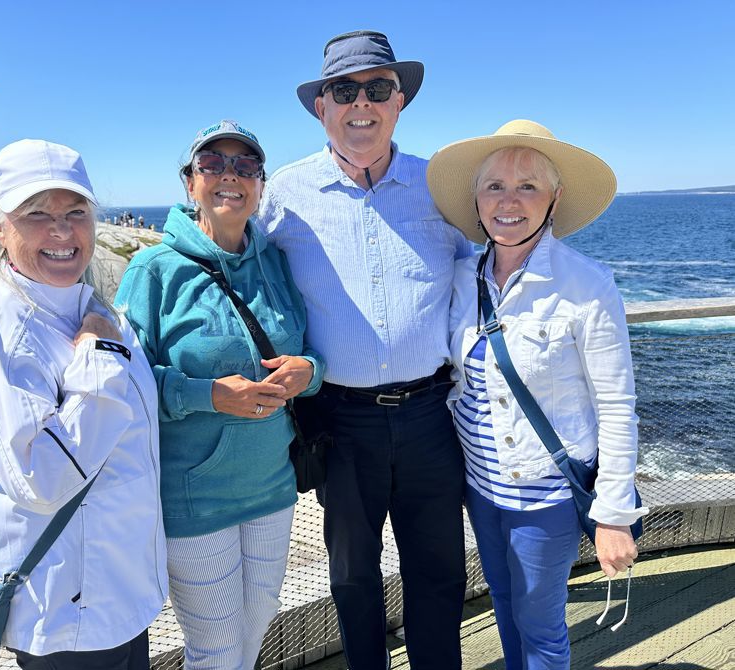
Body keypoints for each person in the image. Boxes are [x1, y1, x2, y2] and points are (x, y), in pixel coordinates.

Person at [257, 30, 472, 669]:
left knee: (438, 569)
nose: (361, 104)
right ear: (321, 106)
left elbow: (490, 276)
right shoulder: (285, 196)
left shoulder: (441, 186)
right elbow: (238, 263)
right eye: (344, 91)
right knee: (352, 574)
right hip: (340, 420)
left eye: (376, 89)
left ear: (398, 100)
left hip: (433, 415)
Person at [0, 139, 167, 670]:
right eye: (36, 214)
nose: (61, 231)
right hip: (67, 609)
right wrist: (101, 356)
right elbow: (42, 477)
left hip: (120, 592)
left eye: (76, 212)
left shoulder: (85, 303)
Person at [427, 119, 647, 669]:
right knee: (504, 604)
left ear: (555, 198)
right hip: (480, 487)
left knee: (541, 625)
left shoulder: (586, 284)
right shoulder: (461, 277)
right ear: (475, 199)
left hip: (545, 497)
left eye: (528, 186)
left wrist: (615, 513)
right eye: (495, 185)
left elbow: (617, 406)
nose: (509, 201)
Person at [116, 119, 324, 670]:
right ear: (190, 183)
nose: (229, 176)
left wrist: (310, 371)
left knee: (253, 630)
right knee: (215, 648)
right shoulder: (153, 270)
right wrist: (207, 394)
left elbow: (310, 354)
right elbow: (123, 385)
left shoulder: (276, 262)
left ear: (260, 185)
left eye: (245, 166)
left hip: (273, 487)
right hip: (195, 496)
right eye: (213, 164)